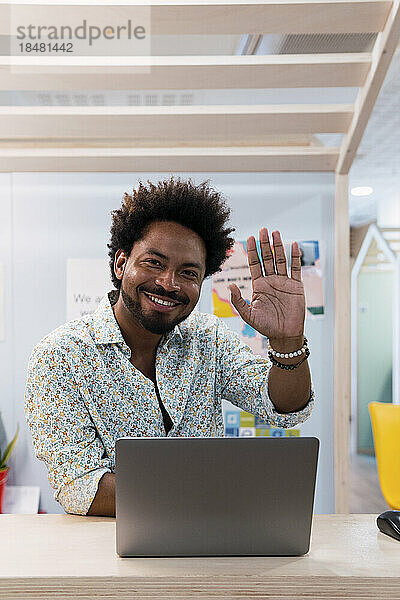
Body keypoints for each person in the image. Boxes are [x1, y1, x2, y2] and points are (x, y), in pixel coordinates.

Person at [25, 177, 314, 517]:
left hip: (208, 545)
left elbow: (281, 409)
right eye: (154, 263)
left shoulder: (210, 338)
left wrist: (287, 341)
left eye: (189, 272)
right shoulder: (61, 356)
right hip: (110, 553)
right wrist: (215, 494)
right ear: (121, 264)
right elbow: (81, 487)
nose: (168, 283)